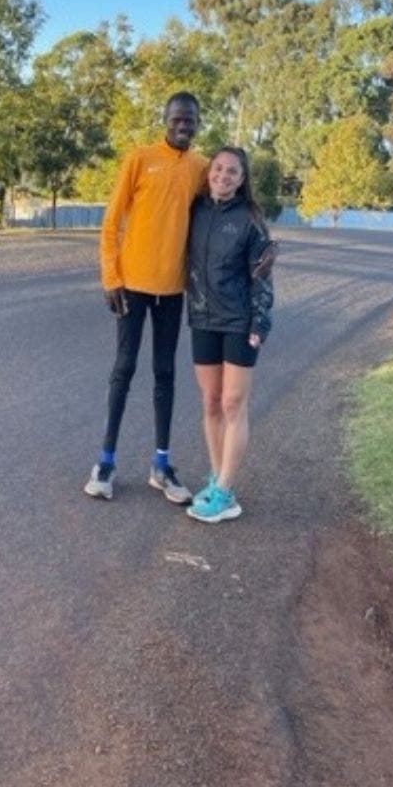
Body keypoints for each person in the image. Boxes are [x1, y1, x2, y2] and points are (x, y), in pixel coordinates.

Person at [86, 93, 211, 505]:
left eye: (190, 120)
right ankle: (105, 462)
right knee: (123, 368)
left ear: (197, 123)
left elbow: (227, 203)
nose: (183, 126)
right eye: (177, 118)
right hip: (133, 286)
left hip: (173, 290)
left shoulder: (200, 168)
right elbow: (111, 221)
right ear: (165, 119)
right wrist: (111, 277)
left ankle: (162, 464)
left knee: (164, 374)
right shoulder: (140, 158)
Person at [183, 146, 274, 525]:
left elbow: (262, 276)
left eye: (232, 171)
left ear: (242, 179)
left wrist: (260, 322)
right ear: (209, 173)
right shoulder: (196, 210)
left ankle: (224, 492)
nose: (223, 176)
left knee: (233, 404)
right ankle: (218, 480)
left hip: (239, 321)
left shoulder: (251, 219)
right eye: (218, 169)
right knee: (210, 402)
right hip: (202, 318)